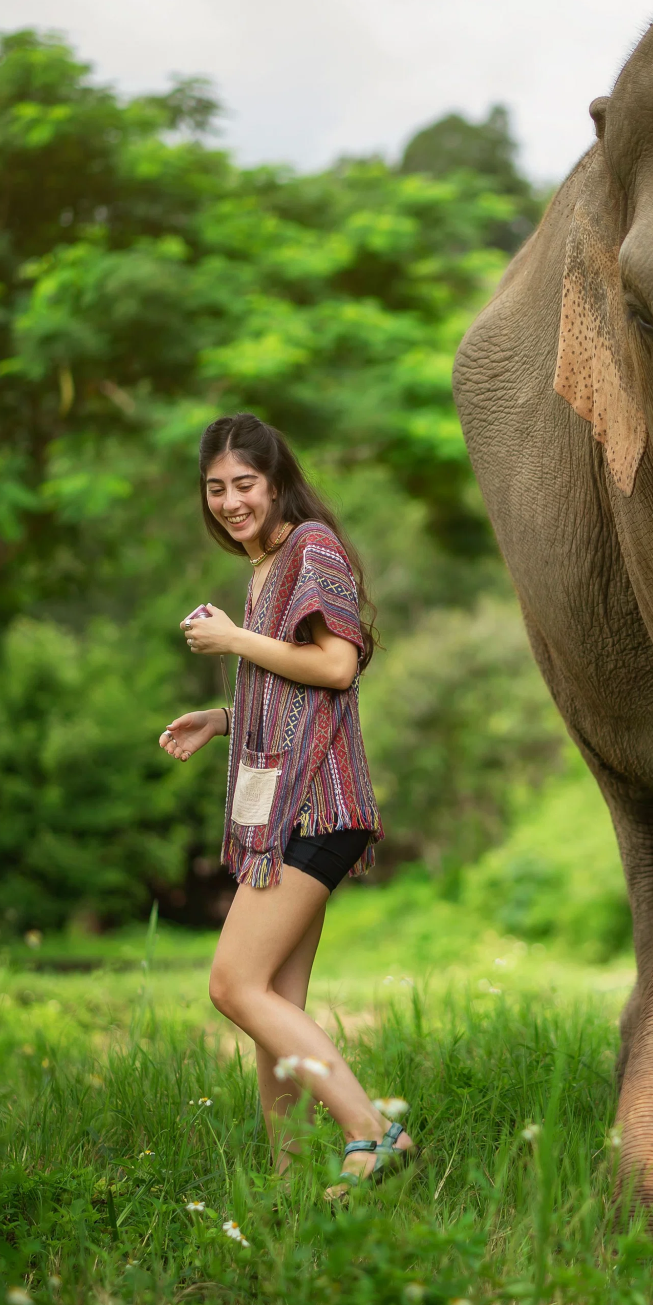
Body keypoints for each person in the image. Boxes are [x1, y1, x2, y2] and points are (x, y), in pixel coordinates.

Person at [158, 412, 413, 1194]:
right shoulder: (263, 566)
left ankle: (374, 1130)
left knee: (233, 984)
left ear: (275, 483)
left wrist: (234, 642)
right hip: (282, 815)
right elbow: (293, 686)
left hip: (319, 808)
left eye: (244, 484)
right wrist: (226, 717)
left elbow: (335, 666)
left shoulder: (312, 547)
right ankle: (292, 1180)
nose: (231, 501)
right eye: (216, 489)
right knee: (273, 1000)